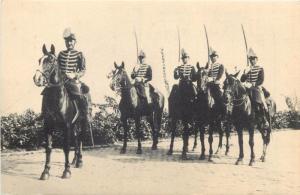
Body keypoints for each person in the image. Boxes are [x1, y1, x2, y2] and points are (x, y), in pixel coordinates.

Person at [57, 28, 90, 129]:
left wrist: (75, 75)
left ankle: (84, 116)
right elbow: (57, 68)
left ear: (75, 42)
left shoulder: (79, 54)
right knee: (47, 92)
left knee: (81, 96)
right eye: (67, 41)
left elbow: (83, 70)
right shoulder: (61, 54)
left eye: (71, 41)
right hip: (61, 81)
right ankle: (44, 113)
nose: (69, 43)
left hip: (73, 81)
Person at [241, 48, 269, 128]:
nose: (251, 61)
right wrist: (245, 73)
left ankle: (264, 119)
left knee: (259, 101)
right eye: (250, 59)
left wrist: (255, 83)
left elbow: (261, 80)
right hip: (247, 87)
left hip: (256, 87)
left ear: (256, 59)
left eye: (253, 59)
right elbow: (242, 80)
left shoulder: (260, 68)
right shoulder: (247, 68)